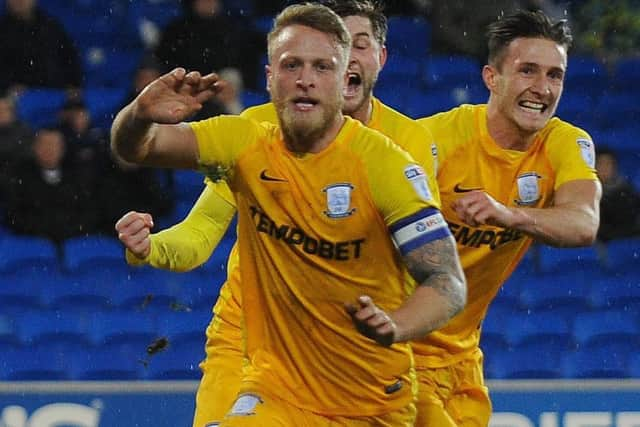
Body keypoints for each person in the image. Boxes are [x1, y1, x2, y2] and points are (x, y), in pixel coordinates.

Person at [111, 3, 466, 426]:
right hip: (272, 374)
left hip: (366, 388)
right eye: (292, 64)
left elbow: (444, 279)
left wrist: (395, 324)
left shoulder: (391, 159)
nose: (305, 78)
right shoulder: (245, 139)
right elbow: (141, 150)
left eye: (322, 66)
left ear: (349, 71)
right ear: (269, 76)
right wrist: (139, 115)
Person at [414, 10, 601, 426]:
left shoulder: (564, 142)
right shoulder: (433, 140)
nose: (542, 88)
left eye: (555, 75)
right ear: (491, 78)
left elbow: (583, 224)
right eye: (527, 71)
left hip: (462, 358)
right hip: (397, 350)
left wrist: (507, 214)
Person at [4, 128, 99, 243]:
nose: (49, 149)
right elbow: (15, 215)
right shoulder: (19, 177)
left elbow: (88, 211)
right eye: (44, 144)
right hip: (33, 240)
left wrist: (71, 230)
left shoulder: (77, 176)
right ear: (35, 148)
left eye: (54, 145)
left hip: (74, 238)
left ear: (63, 149)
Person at [0, 0, 83, 94]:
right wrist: (7, 88)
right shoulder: (2, 31)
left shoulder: (51, 26)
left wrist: (73, 86)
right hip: (15, 97)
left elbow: (70, 59)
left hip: (55, 93)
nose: (20, 1)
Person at [594, 146, 640, 242]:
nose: (605, 168)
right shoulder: (586, 193)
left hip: (627, 240)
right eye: (601, 163)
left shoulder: (628, 192)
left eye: (608, 164)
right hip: (600, 243)